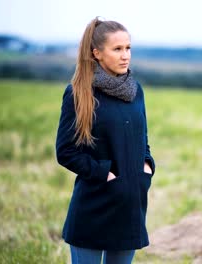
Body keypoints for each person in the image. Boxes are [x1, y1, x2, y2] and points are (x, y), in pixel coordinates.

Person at [55, 17, 156, 264]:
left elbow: (142, 139)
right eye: (117, 49)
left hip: (129, 206)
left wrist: (147, 166)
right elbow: (66, 151)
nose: (125, 56)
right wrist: (105, 174)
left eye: (128, 48)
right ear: (97, 53)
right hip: (94, 205)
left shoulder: (135, 91)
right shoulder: (78, 93)